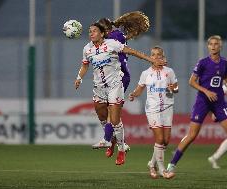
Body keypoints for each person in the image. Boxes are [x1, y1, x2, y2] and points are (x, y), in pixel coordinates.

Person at [74, 22, 164, 165]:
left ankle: (122, 149)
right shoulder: (87, 49)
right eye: (90, 31)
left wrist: (151, 59)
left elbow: (132, 52)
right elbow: (85, 64)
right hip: (98, 88)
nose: (91, 33)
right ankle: (111, 141)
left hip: (115, 86)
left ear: (102, 33)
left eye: (94, 31)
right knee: (102, 116)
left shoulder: (112, 44)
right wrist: (79, 78)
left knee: (115, 120)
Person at [163, 35, 227, 178]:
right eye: (211, 44)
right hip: (203, 101)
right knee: (192, 135)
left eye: (216, 44)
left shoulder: (224, 62)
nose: (213, 46)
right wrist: (206, 91)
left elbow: (224, 75)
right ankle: (171, 165)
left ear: (220, 46)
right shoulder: (203, 62)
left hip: (219, 102)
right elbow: (192, 82)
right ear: (208, 46)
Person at [94, 11, 150, 158]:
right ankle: (115, 142)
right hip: (109, 78)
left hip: (120, 77)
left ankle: (113, 143)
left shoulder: (113, 37)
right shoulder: (116, 35)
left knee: (113, 113)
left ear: (105, 31)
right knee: (106, 113)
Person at [128, 46, 178, 178]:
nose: (156, 57)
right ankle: (162, 170)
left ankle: (152, 163)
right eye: (153, 55)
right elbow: (140, 89)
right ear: (150, 57)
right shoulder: (146, 73)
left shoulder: (169, 71)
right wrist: (133, 94)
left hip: (168, 107)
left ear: (163, 57)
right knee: (159, 138)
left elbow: (176, 87)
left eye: (158, 55)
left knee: (165, 141)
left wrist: (173, 88)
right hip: (152, 109)